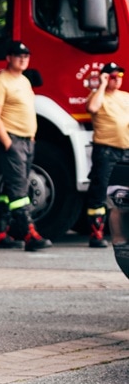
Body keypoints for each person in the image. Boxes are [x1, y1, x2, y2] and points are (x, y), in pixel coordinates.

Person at [0, 41, 49, 251]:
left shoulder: (24, 81)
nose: (23, 58)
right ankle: (29, 234)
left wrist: (30, 139)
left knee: (9, 188)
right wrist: (8, 143)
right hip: (12, 140)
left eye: (26, 55)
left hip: (26, 141)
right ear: (9, 58)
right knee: (20, 189)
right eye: (18, 55)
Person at [84, 63, 129, 249]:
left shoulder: (126, 97)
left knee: (125, 195)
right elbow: (92, 108)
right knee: (100, 192)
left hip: (125, 151)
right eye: (112, 76)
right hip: (106, 151)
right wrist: (101, 85)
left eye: (119, 75)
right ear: (104, 77)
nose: (117, 78)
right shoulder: (97, 97)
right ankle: (96, 233)